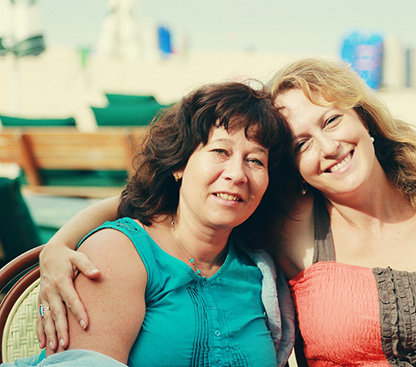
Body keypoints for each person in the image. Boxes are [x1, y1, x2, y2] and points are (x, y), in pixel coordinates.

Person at [37, 59, 416, 367]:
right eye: (302, 143)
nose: (328, 147)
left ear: (367, 120)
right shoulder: (295, 227)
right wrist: (61, 243)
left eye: (332, 120)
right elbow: (158, 204)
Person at [17, 82, 295, 367]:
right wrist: (58, 243)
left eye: (255, 160)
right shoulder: (117, 253)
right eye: (220, 152)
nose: (237, 174)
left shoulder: (259, 269)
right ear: (179, 164)